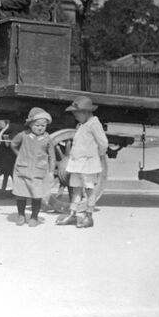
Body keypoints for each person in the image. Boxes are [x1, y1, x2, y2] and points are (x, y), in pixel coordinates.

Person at [56, 96, 108, 229]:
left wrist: (98, 156)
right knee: (76, 189)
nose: (75, 116)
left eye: (76, 114)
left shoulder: (94, 124)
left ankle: (89, 216)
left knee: (89, 190)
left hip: (88, 164)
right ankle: (73, 214)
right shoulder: (83, 124)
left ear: (85, 112)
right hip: (77, 163)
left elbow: (103, 143)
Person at [10, 107, 55, 227]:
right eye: (37, 125)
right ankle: (21, 215)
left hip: (38, 172)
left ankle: (34, 217)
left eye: (43, 126)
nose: (40, 128)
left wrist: (51, 171)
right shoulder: (23, 135)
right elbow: (13, 144)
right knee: (21, 194)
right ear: (30, 124)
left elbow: (52, 156)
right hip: (22, 170)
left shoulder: (47, 139)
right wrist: (19, 156)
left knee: (37, 195)